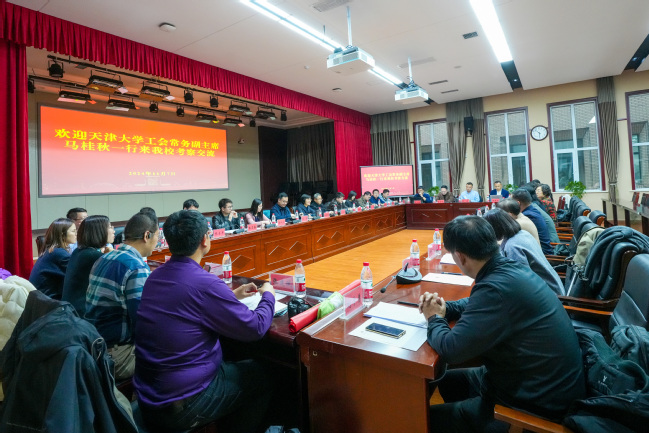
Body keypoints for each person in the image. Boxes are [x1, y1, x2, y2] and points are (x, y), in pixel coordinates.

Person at [421, 216, 585, 432]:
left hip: (533, 407)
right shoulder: (508, 268)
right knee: (446, 379)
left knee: (422, 421)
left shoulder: (496, 288)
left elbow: (451, 350)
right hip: (536, 381)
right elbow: (477, 302)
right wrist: (446, 308)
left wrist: (434, 318)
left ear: (459, 256)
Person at [134, 210, 275, 433]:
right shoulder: (205, 283)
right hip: (184, 403)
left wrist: (231, 297)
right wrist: (268, 295)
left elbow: (186, 306)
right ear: (205, 240)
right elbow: (255, 328)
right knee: (263, 375)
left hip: (148, 395)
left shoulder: (155, 276)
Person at [85, 212, 159, 381]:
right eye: (157, 236)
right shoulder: (137, 267)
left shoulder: (104, 258)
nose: (158, 241)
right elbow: (142, 320)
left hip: (92, 346)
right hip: (116, 356)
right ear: (147, 235)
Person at [484, 209, 564, 295]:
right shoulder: (522, 233)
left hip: (550, 293)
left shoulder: (512, 246)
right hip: (552, 285)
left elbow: (521, 281)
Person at [62, 215, 115, 315]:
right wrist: (112, 255)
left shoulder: (79, 251)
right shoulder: (92, 256)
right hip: (82, 314)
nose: (114, 231)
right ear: (99, 231)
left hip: (71, 310)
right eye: (110, 227)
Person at [29, 218, 77, 300]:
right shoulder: (59, 254)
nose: (76, 234)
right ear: (62, 234)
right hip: (48, 302)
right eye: (73, 231)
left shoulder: (52, 250)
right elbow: (77, 275)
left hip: (40, 299)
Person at [511, 189, 553, 254]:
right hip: (542, 249)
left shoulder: (528, 215)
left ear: (517, 203)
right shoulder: (532, 209)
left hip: (542, 253)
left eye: (511, 202)